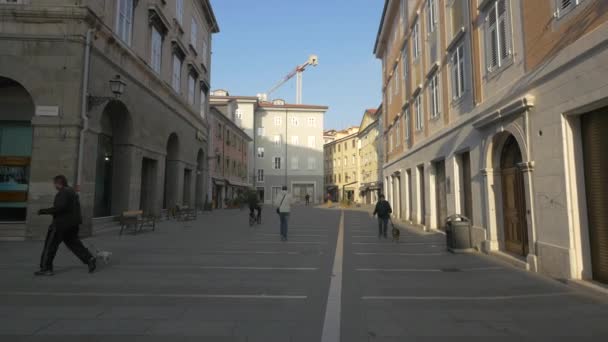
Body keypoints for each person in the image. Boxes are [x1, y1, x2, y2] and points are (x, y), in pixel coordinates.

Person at [36, 175, 96, 276]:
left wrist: (43, 211)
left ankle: (46, 268)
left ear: (58, 183)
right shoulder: (72, 192)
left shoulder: (63, 193)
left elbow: (60, 207)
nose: (54, 186)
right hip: (72, 224)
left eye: (55, 184)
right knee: (74, 244)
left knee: (50, 246)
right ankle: (89, 259)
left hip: (60, 224)